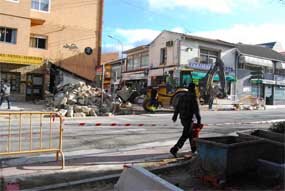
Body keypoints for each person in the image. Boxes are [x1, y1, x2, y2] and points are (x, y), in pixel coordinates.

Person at [170, 83, 201, 157]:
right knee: (186, 134)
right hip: (189, 119)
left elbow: (177, 107)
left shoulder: (182, 96)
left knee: (190, 134)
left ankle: (194, 148)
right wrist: (199, 120)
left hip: (183, 119)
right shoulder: (193, 97)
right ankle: (175, 149)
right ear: (193, 89)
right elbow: (196, 110)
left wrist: (175, 116)